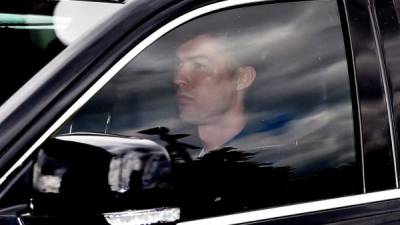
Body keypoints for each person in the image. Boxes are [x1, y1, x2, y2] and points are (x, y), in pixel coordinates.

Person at [174, 33, 256, 155]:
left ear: (242, 78)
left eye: (199, 65)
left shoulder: (272, 156)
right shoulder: (176, 153)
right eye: (178, 65)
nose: (179, 79)